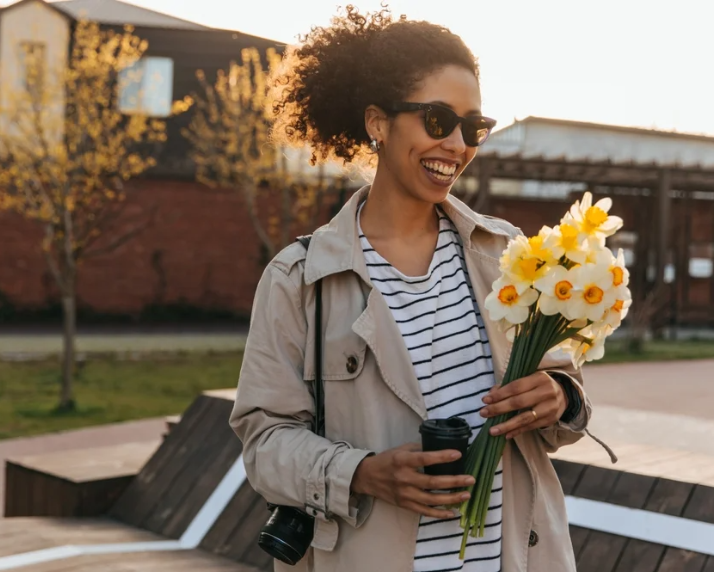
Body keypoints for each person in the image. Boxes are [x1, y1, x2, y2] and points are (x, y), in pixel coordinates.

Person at [230, 6, 604, 572]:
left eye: (473, 127)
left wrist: (560, 395)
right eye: (437, 120)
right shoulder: (299, 279)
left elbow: (562, 401)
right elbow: (264, 444)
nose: (457, 144)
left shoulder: (509, 255)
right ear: (378, 123)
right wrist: (362, 473)